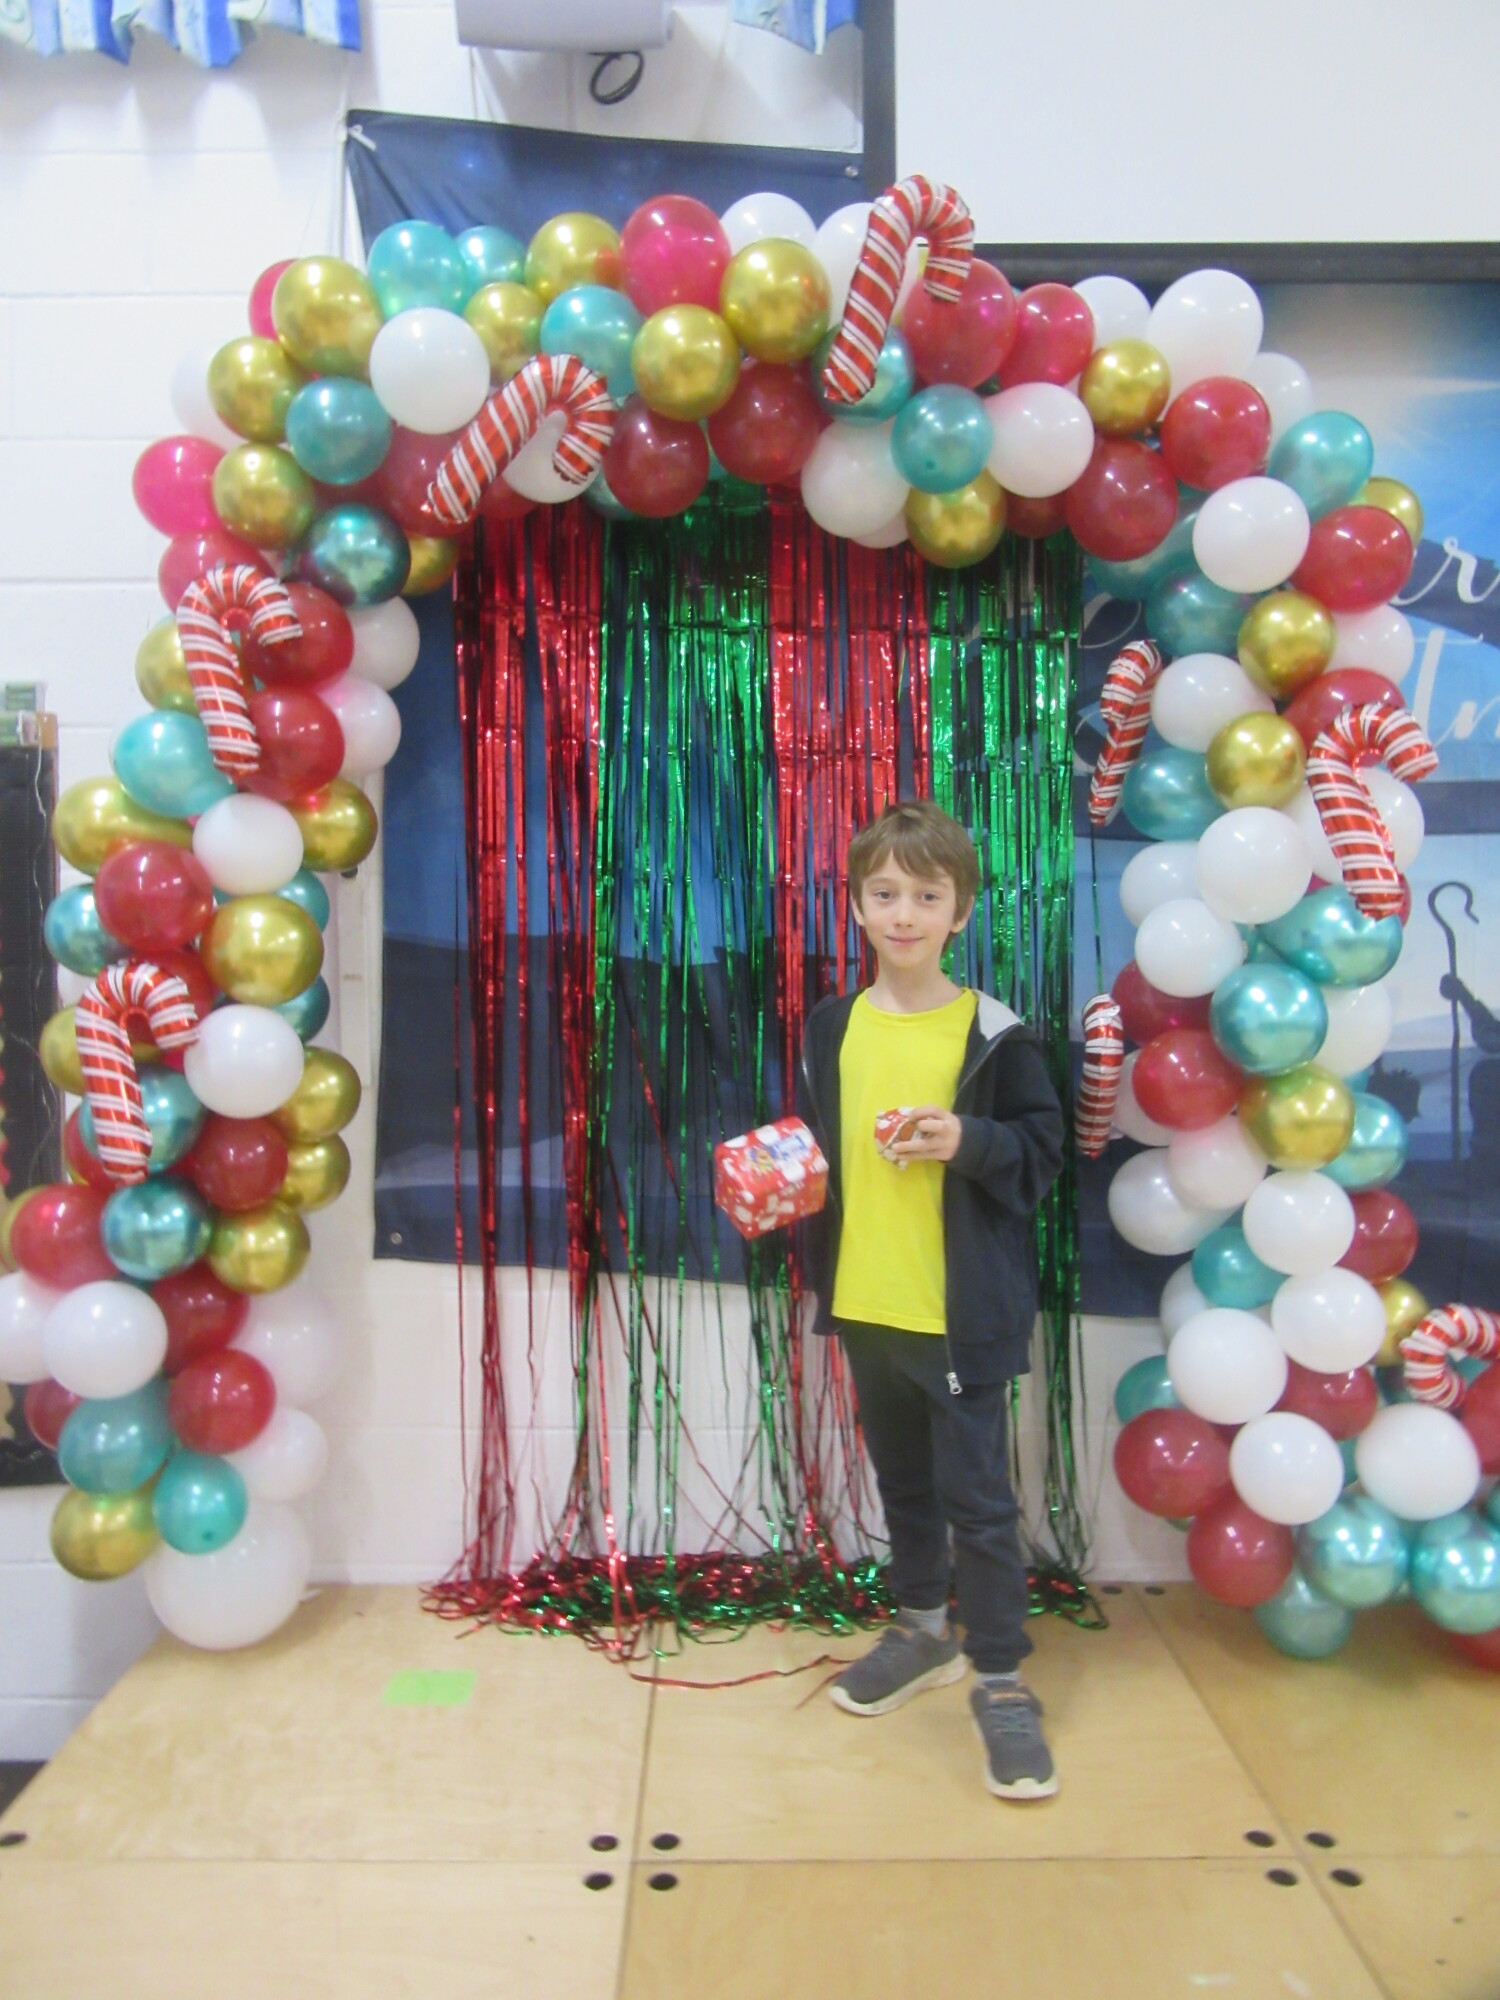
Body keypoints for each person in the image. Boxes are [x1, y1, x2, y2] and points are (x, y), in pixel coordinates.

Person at [798, 798, 1065, 1799]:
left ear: (961, 910)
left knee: (980, 1505)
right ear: (856, 905)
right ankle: (921, 1631)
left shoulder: (994, 1032)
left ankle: (1000, 1678)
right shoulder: (834, 1023)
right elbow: (826, 1146)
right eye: (884, 893)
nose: (903, 914)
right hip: (866, 1303)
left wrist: (969, 1139)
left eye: (925, 895)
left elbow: (1041, 1152)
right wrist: (783, 1175)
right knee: (904, 1485)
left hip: (957, 1317)